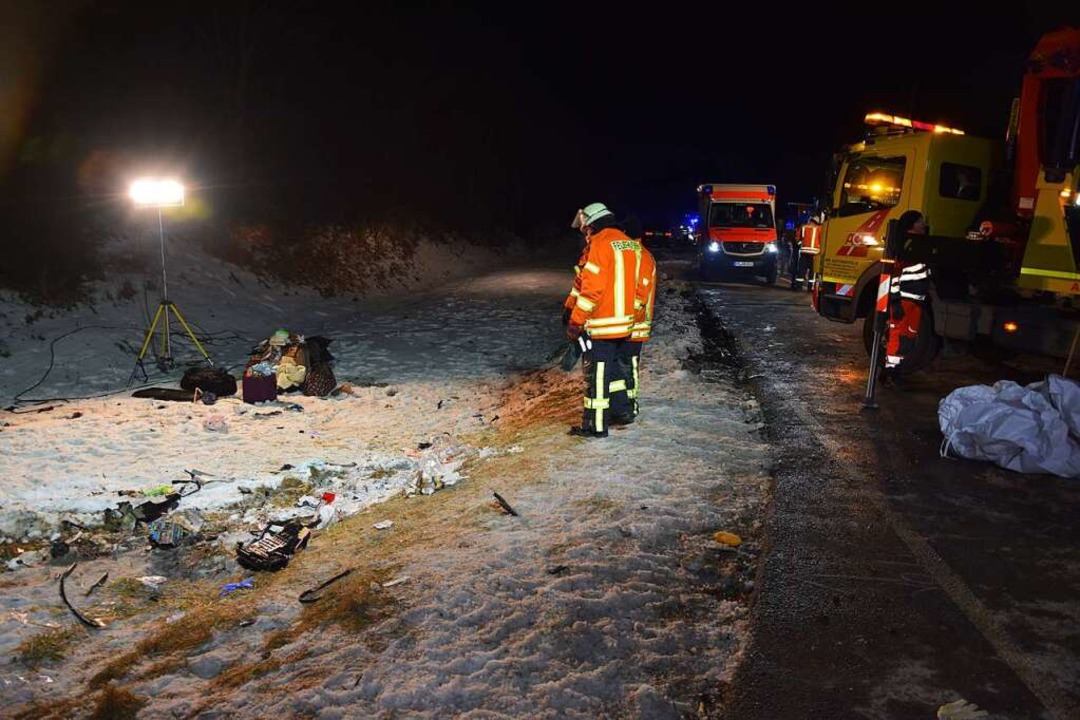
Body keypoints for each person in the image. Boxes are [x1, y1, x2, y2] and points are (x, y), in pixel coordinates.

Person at [564, 202, 643, 438]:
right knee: (615, 374)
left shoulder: (599, 244)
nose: (585, 234)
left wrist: (576, 321)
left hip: (602, 325)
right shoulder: (629, 244)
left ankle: (595, 427)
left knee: (596, 378)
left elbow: (592, 290)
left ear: (593, 224)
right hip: (625, 324)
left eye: (586, 229)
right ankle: (621, 412)